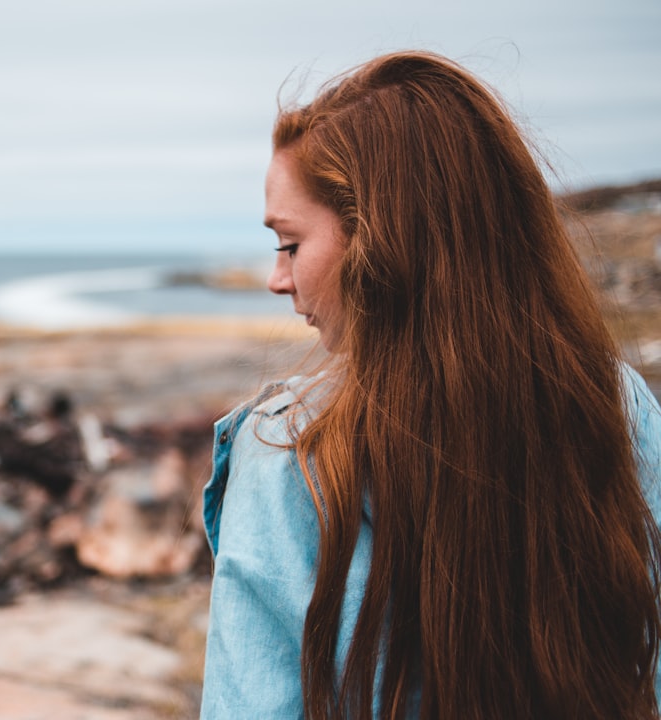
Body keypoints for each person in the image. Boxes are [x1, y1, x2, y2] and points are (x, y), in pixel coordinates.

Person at [200, 50, 661, 720]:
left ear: (378, 243)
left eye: (291, 243)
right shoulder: (614, 406)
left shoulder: (287, 453)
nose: (278, 278)